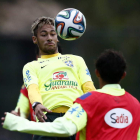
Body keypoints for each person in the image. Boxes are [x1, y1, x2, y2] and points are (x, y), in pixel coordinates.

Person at [2, 49, 140, 140]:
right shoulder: (136, 105)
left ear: (97, 72)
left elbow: (65, 128)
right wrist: (18, 115)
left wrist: (17, 123)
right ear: (123, 75)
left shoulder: (88, 101)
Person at [20, 16, 96, 140]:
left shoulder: (76, 60)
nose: (49, 38)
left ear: (57, 37)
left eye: (52, 34)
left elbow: (88, 87)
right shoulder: (31, 66)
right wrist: (36, 104)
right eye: (43, 35)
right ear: (35, 39)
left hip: (75, 118)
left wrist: (98, 107)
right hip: (47, 120)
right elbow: (33, 88)